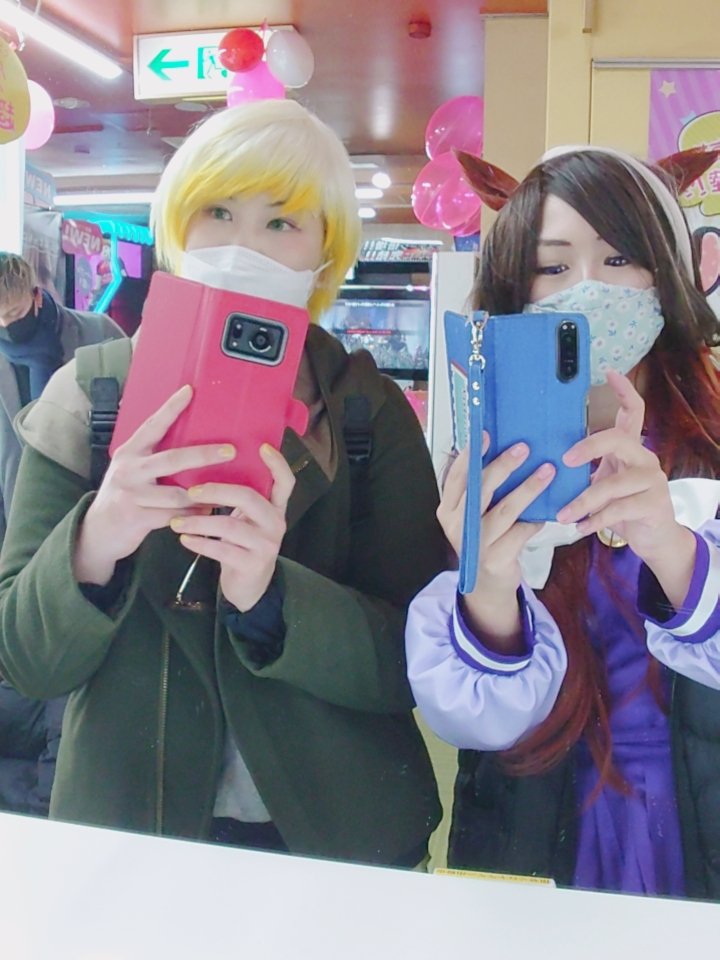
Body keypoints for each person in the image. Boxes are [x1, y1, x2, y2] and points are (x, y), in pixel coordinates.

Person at [0, 100, 445, 866]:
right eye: (218, 212)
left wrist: (273, 596)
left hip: (338, 854)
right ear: (179, 224)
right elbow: (25, 659)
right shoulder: (89, 396)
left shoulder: (366, 412)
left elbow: (415, 660)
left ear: (324, 251)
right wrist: (95, 542)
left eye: (282, 223)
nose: (245, 246)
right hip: (131, 853)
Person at [405, 144, 720, 899]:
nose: (588, 287)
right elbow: (471, 721)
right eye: (552, 265)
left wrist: (674, 552)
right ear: (515, 285)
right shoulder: (481, 465)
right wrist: (487, 585)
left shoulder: (709, 446)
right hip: (534, 833)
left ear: (667, 275)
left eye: (620, 259)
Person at [0, 252, 123, 816]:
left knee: (69, 686)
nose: (6, 327)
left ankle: (52, 806)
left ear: (34, 296)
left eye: (11, 315)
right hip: (13, 529)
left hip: (93, 522)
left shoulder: (98, 335)